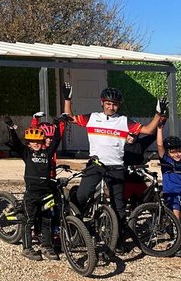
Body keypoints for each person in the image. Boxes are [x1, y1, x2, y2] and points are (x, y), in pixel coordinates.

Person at [63, 83, 165, 251]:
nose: (111, 107)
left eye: (114, 104)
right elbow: (69, 118)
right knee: (81, 196)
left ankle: (117, 240)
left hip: (116, 167)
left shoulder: (124, 121)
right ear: (102, 103)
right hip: (95, 165)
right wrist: (67, 98)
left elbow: (147, 130)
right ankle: (76, 230)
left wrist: (158, 113)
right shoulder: (93, 117)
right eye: (108, 103)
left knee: (119, 207)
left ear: (119, 105)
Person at [5, 119, 61, 260]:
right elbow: (16, 143)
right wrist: (11, 128)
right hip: (31, 193)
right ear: (28, 143)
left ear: (42, 142)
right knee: (28, 220)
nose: (35, 143)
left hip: (46, 194)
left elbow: (56, 140)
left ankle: (47, 247)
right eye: (32, 141)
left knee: (46, 220)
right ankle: (27, 248)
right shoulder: (27, 154)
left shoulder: (47, 153)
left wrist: (57, 126)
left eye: (38, 141)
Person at [156, 130, 181, 258]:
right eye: (173, 152)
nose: (177, 154)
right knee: (176, 214)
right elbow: (160, 146)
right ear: (168, 153)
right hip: (171, 194)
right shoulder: (166, 162)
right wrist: (160, 129)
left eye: (179, 151)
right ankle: (177, 243)